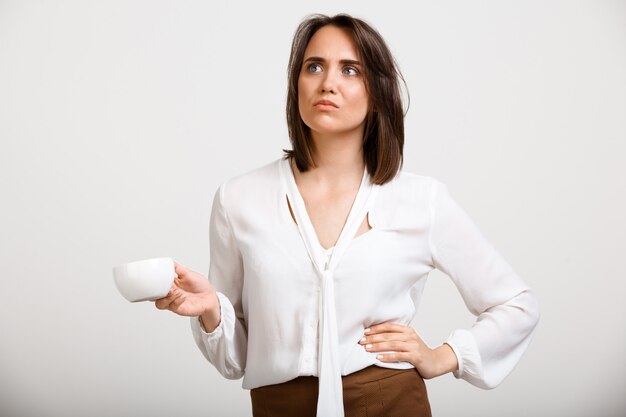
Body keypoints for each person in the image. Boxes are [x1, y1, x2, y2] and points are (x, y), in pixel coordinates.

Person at [154, 13, 540, 417]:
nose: (327, 83)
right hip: (278, 406)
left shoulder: (420, 200)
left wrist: (444, 356)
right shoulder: (240, 199)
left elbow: (517, 304)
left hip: (391, 401)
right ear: (296, 84)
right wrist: (213, 311)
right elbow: (237, 360)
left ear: (377, 92)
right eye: (314, 66)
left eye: (350, 70)